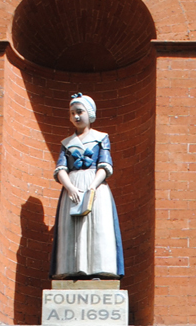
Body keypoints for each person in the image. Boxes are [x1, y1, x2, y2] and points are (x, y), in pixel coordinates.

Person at [50, 93, 124, 279]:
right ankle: (70, 269)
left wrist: (92, 186)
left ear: (89, 114)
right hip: (73, 186)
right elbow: (61, 169)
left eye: (79, 112)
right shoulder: (66, 143)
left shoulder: (101, 137)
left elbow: (105, 166)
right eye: (72, 113)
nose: (76, 116)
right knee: (71, 230)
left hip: (95, 187)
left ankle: (99, 268)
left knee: (98, 226)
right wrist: (70, 187)